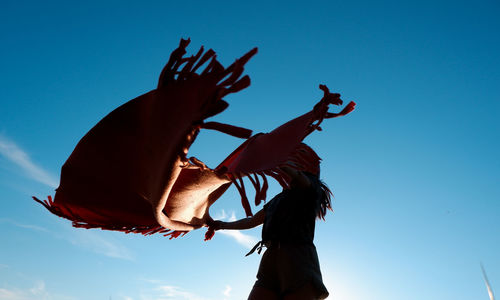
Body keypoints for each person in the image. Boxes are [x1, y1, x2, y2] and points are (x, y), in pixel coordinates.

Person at [209, 165, 332, 300]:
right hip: (271, 257)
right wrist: (221, 225)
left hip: (298, 258)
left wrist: (281, 161)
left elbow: (300, 178)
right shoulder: (278, 199)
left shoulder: (311, 191)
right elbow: (251, 221)